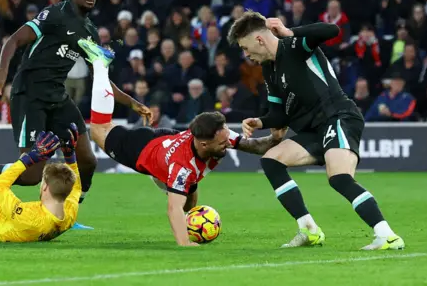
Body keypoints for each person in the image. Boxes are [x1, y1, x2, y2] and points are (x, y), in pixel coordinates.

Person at [76, 38, 286, 246]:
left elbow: (255, 146)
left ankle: (180, 204)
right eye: (223, 143)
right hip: (141, 149)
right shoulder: (182, 167)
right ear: (204, 144)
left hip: (166, 141)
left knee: (190, 201)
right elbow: (172, 208)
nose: (228, 144)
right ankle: (100, 65)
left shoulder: (218, 134)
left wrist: (274, 138)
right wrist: (185, 243)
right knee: (99, 130)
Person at [228, 12, 405, 250]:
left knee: (339, 177)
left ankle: (387, 236)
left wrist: (290, 31)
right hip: (312, 130)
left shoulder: (295, 45)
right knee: (271, 161)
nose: (246, 55)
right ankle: (309, 230)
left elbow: (331, 30)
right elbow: (279, 114)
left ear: (259, 39)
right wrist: (259, 122)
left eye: (245, 47)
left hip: (338, 117)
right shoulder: (269, 70)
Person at [0, 0, 152, 220]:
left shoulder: (90, 32)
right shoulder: (55, 14)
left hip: (57, 96)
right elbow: (15, 40)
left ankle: (70, 212)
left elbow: (101, 78)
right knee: (33, 175)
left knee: (87, 160)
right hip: (30, 93)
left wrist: (132, 103)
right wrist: (2, 72)